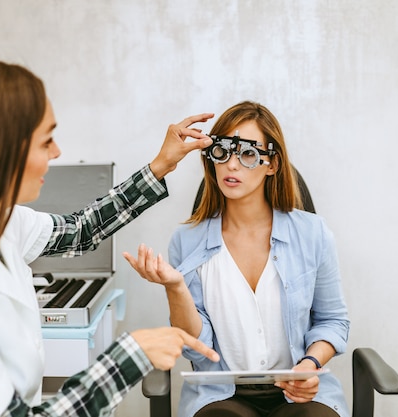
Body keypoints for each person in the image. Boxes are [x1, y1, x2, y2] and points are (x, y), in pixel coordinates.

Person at [0, 56, 220, 417]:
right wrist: (129, 358)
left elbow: (80, 231)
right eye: (46, 140)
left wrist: (160, 165)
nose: (57, 153)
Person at [124, 101, 351, 417]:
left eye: (247, 154)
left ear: (271, 164)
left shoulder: (312, 233)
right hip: (222, 395)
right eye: (223, 151)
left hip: (298, 394)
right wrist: (175, 287)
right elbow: (194, 346)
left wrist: (309, 365)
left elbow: (333, 320)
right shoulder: (187, 241)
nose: (232, 165)